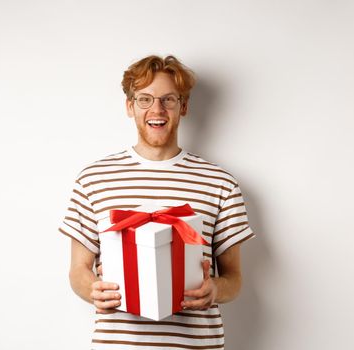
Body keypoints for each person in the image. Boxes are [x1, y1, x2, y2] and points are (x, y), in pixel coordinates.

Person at [58, 55, 256, 349]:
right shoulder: (93, 178)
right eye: (144, 99)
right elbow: (78, 271)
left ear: (184, 106)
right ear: (130, 106)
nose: (157, 109)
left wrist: (214, 289)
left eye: (168, 99)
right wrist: (93, 290)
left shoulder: (220, 182)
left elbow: (234, 278)